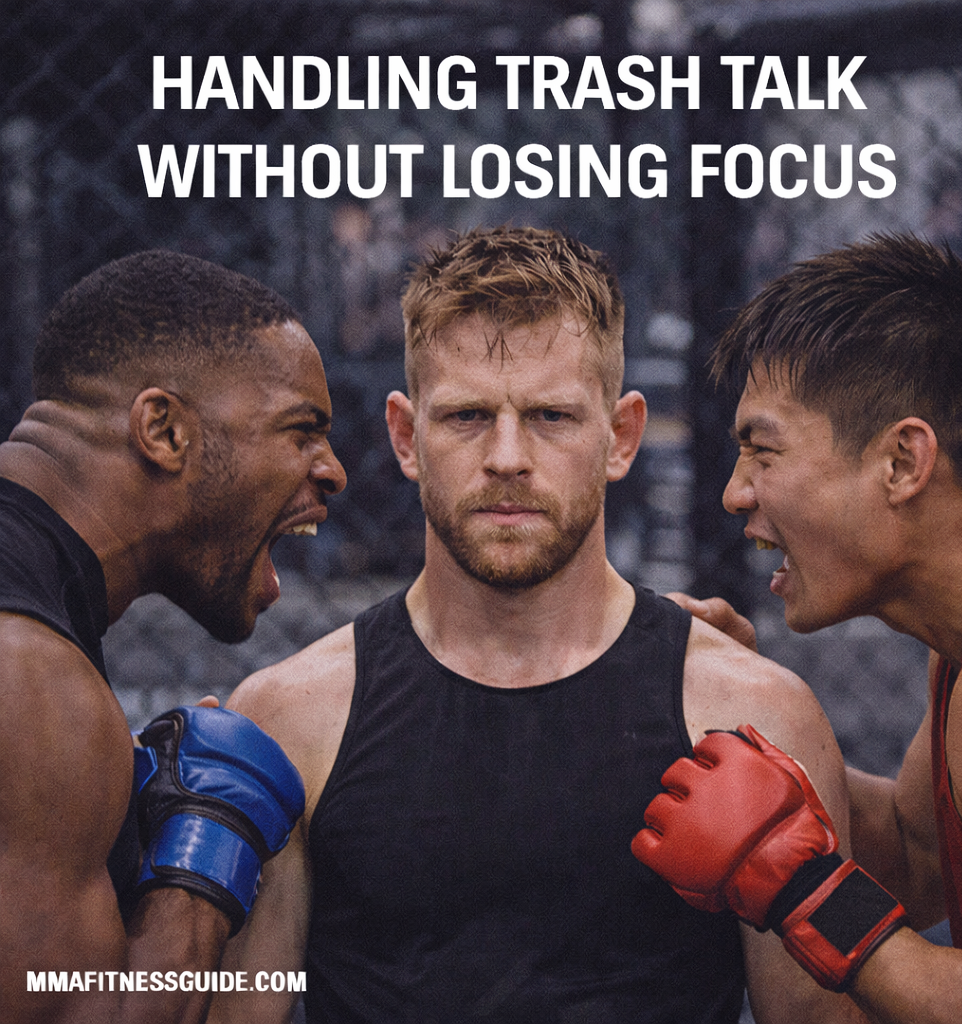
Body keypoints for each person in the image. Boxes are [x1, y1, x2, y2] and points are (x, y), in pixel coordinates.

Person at [211, 225, 868, 1024]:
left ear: (621, 436)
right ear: (406, 438)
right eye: (466, 416)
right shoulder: (289, 719)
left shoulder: (755, 714)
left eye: (552, 416)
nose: (507, 457)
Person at [636, 234, 962, 1022]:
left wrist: (798, 885)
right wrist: (744, 735)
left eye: (763, 450)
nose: (735, 493)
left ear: (902, 463)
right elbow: (917, 855)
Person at [0, 250, 347, 1024]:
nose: (333, 471)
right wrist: (203, 855)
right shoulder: (30, 680)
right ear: (163, 430)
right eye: (301, 431)